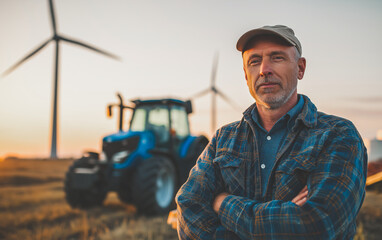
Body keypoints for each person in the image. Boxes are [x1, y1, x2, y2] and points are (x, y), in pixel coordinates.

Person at [176, 25, 367, 239]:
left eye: (277, 58)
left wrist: (222, 203)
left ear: (300, 68)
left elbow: (316, 225)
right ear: (246, 76)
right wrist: (283, 219)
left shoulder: (337, 135)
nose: (264, 70)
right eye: (254, 61)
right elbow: (188, 209)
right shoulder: (223, 139)